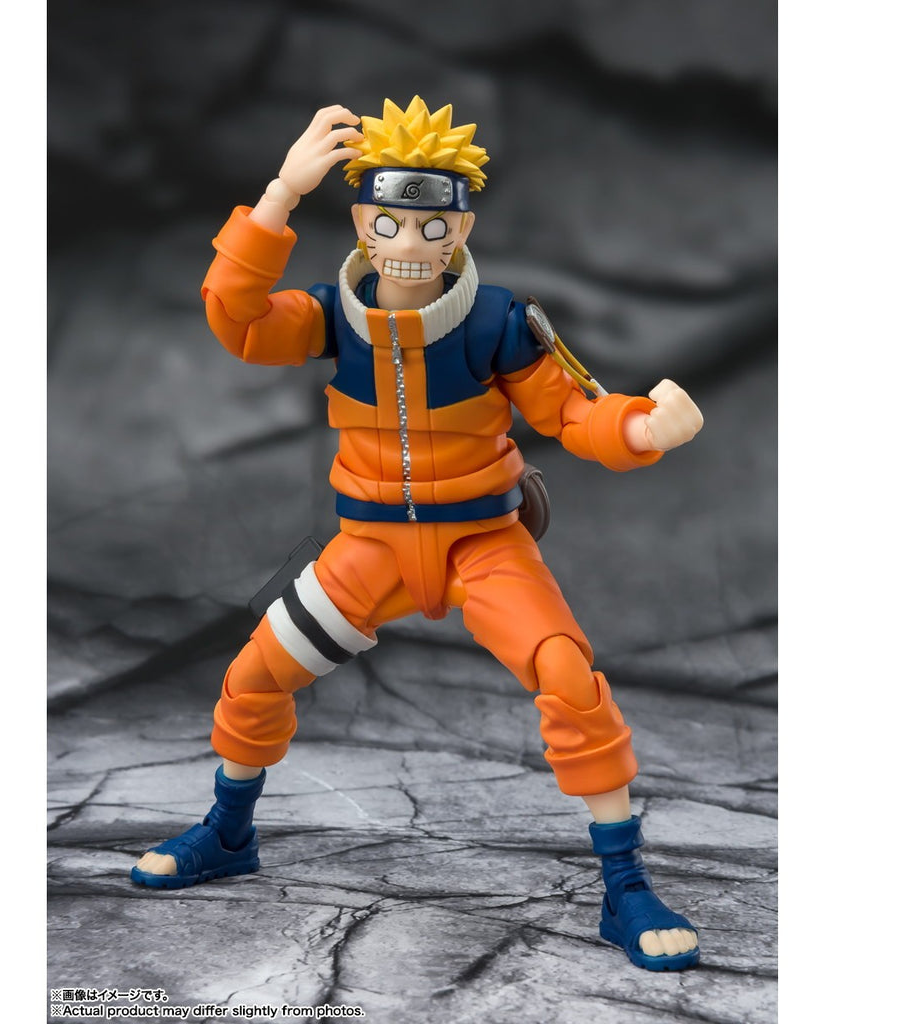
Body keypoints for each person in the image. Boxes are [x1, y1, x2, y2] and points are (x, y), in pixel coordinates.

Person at [132, 97, 704, 972]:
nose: (409, 241)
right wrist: (282, 193)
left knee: (567, 674)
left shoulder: (500, 322)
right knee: (254, 676)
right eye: (389, 220)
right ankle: (228, 831)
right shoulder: (330, 316)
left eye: (433, 224)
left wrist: (640, 427)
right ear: (363, 222)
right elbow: (237, 319)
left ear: (460, 230)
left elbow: (572, 414)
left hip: (483, 544)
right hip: (370, 551)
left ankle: (625, 886)